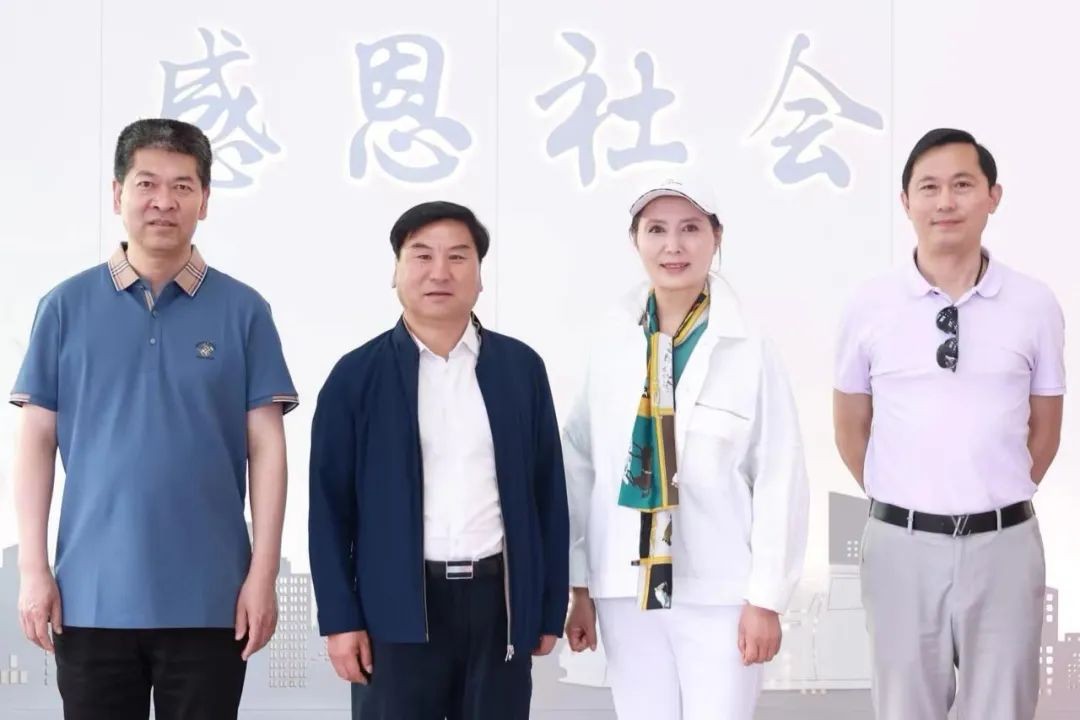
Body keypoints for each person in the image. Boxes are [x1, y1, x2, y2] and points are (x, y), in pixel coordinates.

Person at [11, 118, 297, 719]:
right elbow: (36, 440)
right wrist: (34, 570)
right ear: (118, 194)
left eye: (182, 186)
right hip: (90, 597)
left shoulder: (244, 311)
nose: (164, 201)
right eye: (147, 184)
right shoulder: (64, 307)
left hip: (212, 598)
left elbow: (267, 448)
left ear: (205, 200)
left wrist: (262, 574)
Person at [833, 128, 1064, 719]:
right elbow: (851, 426)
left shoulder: (1034, 304)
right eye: (929, 187)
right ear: (905, 201)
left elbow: (1045, 429)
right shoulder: (869, 304)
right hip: (900, 547)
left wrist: (988, 494)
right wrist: (909, 498)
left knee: (1003, 709)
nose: (945, 202)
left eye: (962, 185)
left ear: (993, 196)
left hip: (1005, 546)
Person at [309, 201, 569, 720]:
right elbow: (328, 509)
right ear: (396, 271)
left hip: (498, 604)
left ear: (480, 275)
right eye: (422, 255)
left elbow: (548, 495)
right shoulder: (356, 376)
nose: (440, 272)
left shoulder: (520, 368)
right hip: (396, 608)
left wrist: (546, 607)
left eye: (458, 256)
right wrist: (340, 620)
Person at [562, 178, 809, 719]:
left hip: (719, 590)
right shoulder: (610, 343)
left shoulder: (750, 348)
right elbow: (579, 465)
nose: (673, 246)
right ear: (635, 240)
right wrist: (578, 583)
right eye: (656, 230)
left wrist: (766, 598)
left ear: (716, 237)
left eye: (690, 229)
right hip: (625, 585)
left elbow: (779, 473)